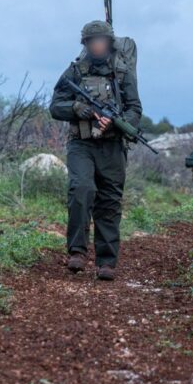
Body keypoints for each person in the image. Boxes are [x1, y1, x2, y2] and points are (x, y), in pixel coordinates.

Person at [49, 21, 142, 281]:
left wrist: (117, 122)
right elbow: (55, 106)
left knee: (109, 201)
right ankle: (77, 252)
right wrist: (76, 108)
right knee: (81, 189)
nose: (97, 45)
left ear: (109, 42)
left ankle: (106, 262)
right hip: (82, 143)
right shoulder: (75, 71)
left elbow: (135, 108)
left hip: (112, 145)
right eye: (93, 41)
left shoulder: (122, 72)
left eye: (101, 40)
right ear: (86, 44)